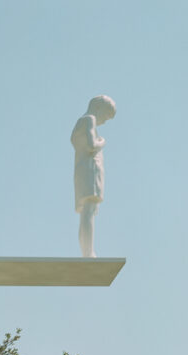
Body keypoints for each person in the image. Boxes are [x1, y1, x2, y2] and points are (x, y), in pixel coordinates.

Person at [71, 95, 116, 257]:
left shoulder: (80, 123)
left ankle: (86, 251)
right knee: (88, 211)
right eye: (105, 116)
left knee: (87, 211)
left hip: (84, 170)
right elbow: (91, 145)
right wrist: (102, 141)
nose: (104, 121)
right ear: (99, 109)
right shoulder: (89, 119)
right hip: (90, 170)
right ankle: (88, 252)